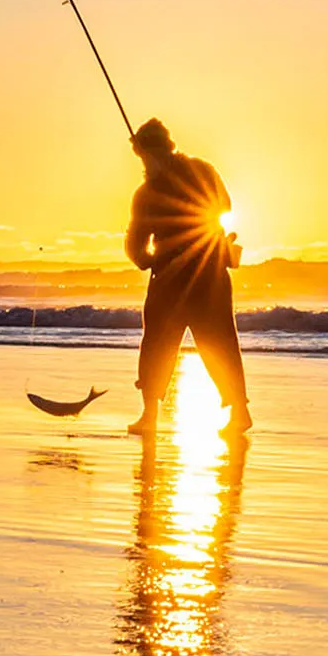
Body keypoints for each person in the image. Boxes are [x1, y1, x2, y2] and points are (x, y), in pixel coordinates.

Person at [122, 118, 252, 436]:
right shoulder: (146, 194)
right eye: (142, 157)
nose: (146, 163)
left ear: (162, 149)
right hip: (170, 278)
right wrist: (147, 259)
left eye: (147, 156)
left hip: (207, 274)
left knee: (219, 342)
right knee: (157, 344)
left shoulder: (198, 172)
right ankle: (149, 414)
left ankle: (240, 412)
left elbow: (223, 204)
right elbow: (137, 246)